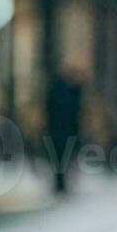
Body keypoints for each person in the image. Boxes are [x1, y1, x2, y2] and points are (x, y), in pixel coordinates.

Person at [45, 61, 84, 194]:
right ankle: (61, 184)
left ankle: (60, 184)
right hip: (64, 130)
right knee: (62, 157)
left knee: (59, 158)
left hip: (58, 130)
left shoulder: (57, 89)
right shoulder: (69, 91)